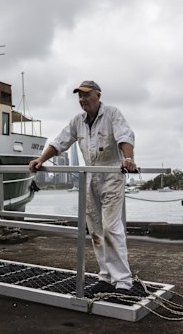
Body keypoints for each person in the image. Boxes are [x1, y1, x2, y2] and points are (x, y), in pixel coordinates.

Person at [28, 80, 136, 295]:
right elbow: (60, 142)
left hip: (111, 174)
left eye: (87, 95)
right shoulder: (77, 121)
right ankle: (105, 276)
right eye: (80, 96)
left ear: (98, 95)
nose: (82, 100)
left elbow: (125, 136)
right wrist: (40, 160)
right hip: (89, 176)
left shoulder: (112, 113)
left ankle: (123, 280)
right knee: (95, 230)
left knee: (110, 227)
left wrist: (128, 158)